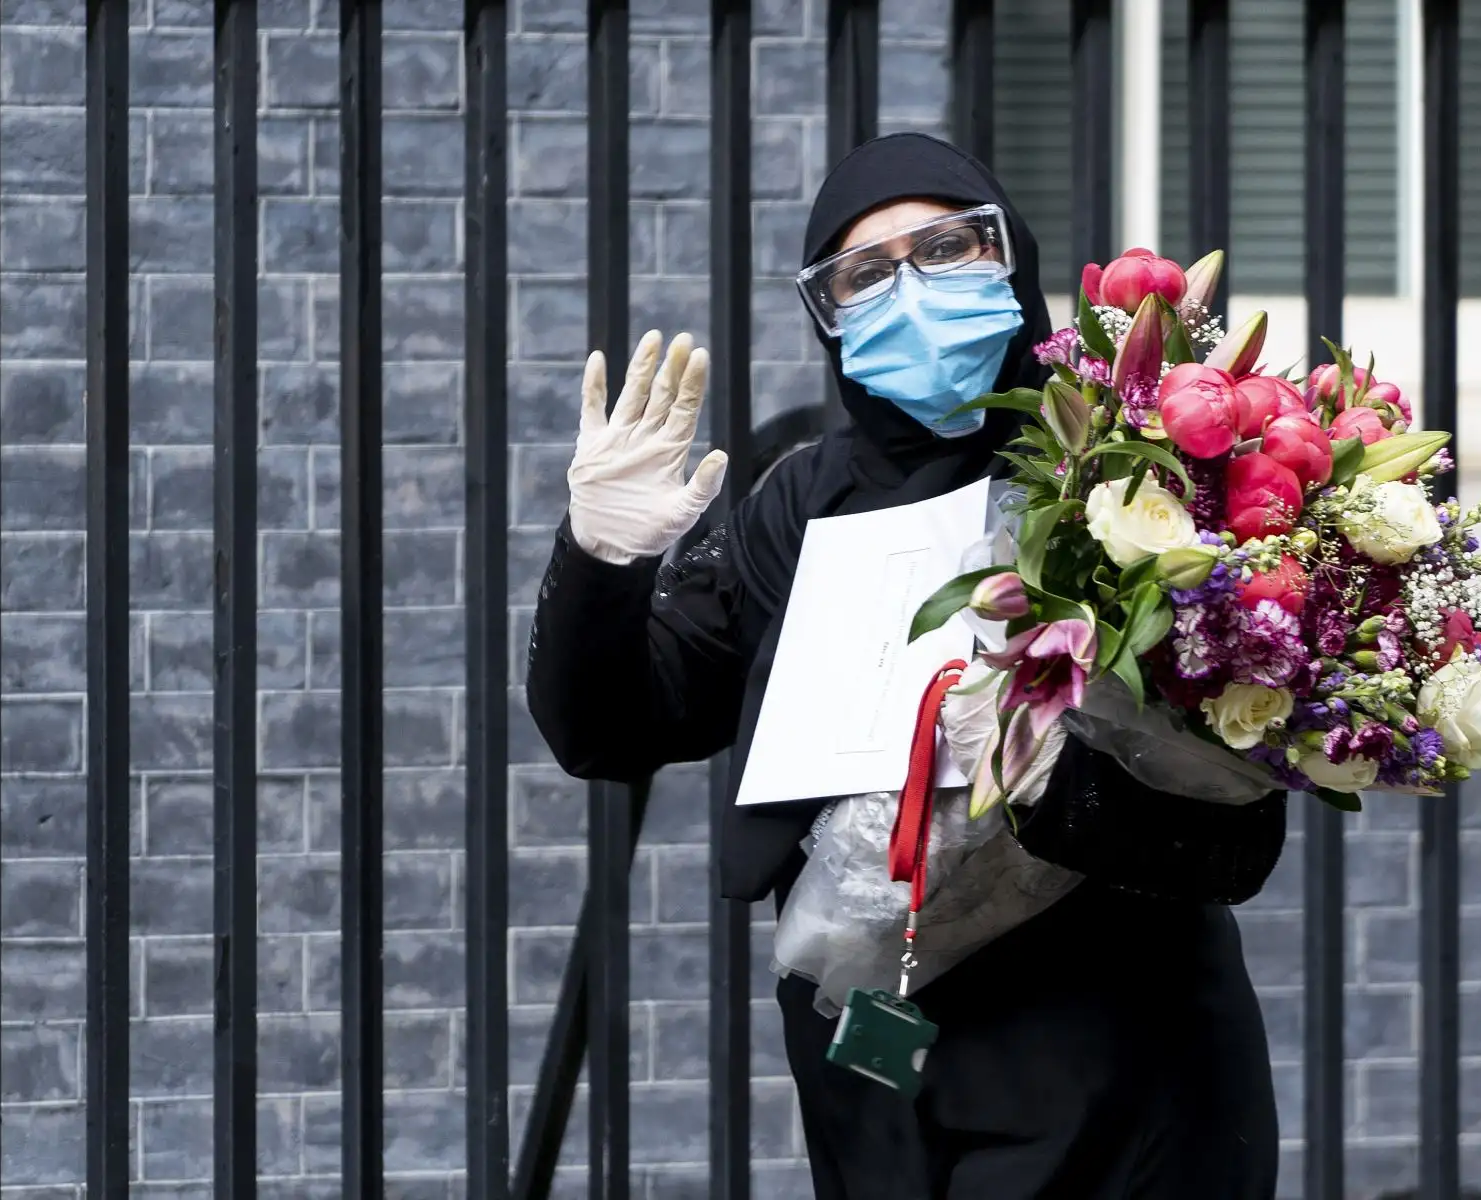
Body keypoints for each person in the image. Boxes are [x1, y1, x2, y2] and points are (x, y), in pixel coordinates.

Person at [528, 132, 1284, 1199]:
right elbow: (612, 728)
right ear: (827, 314)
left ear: (1008, 258)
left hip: (1115, 1057)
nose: (911, 290)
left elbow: (1237, 839)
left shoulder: (1132, 479)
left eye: (946, 248)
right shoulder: (795, 503)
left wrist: (1040, 785)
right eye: (866, 274)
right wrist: (604, 559)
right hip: (874, 1072)